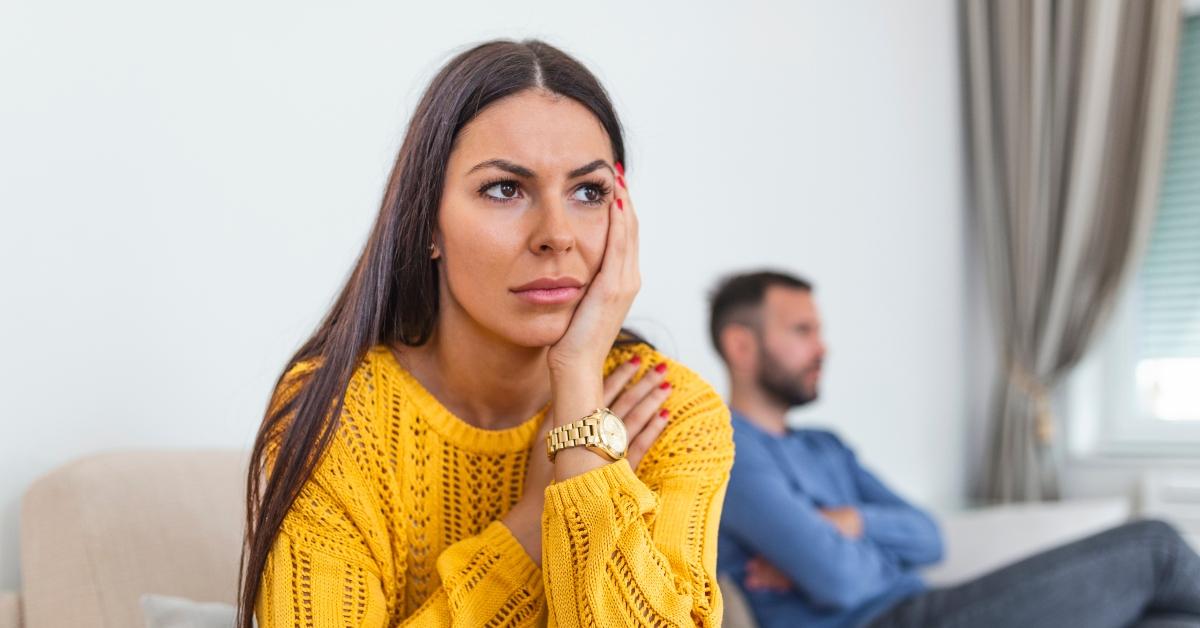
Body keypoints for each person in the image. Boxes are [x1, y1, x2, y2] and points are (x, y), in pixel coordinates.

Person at [236, 40, 735, 627]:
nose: (557, 234)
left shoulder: (668, 409)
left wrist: (578, 398)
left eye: (588, 192)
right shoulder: (337, 412)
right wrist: (530, 528)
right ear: (427, 223)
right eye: (505, 188)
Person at [711, 270, 1200, 628]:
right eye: (802, 331)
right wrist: (859, 551)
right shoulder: (729, 452)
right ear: (741, 345)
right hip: (889, 621)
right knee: (1154, 548)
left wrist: (855, 523)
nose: (823, 348)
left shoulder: (826, 448)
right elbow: (842, 582)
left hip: (928, 607)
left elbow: (931, 538)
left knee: (1167, 619)